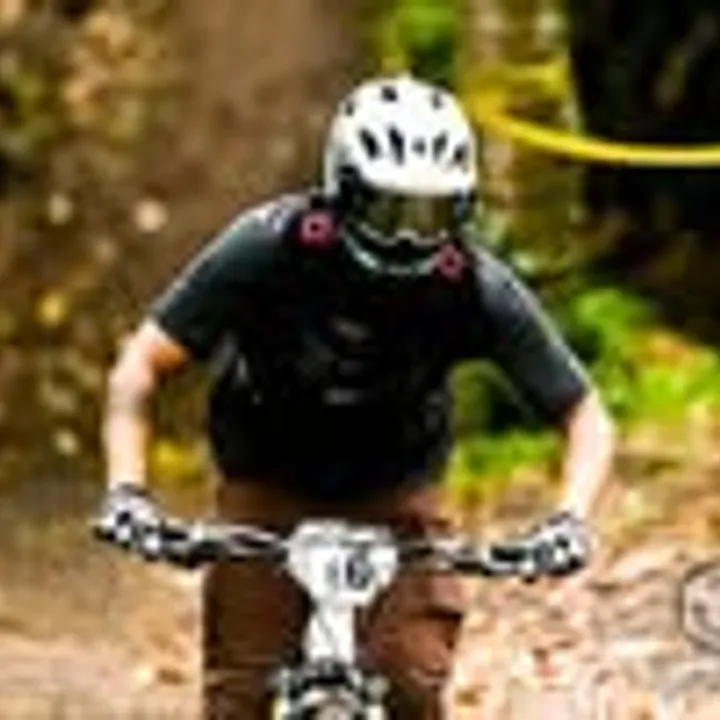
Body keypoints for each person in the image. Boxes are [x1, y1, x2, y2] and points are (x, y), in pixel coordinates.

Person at [93, 74, 616, 718]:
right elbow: (141, 365)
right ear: (342, 193)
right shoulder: (269, 247)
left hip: (396, 489)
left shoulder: (473, 287)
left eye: (432, 215)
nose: (409, 238)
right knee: (241, 696)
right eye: (389, 212)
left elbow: (584, 412)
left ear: (463, 211)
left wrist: (570, 519)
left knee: (410, 683)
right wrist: (127, 491)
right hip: (268, 478)